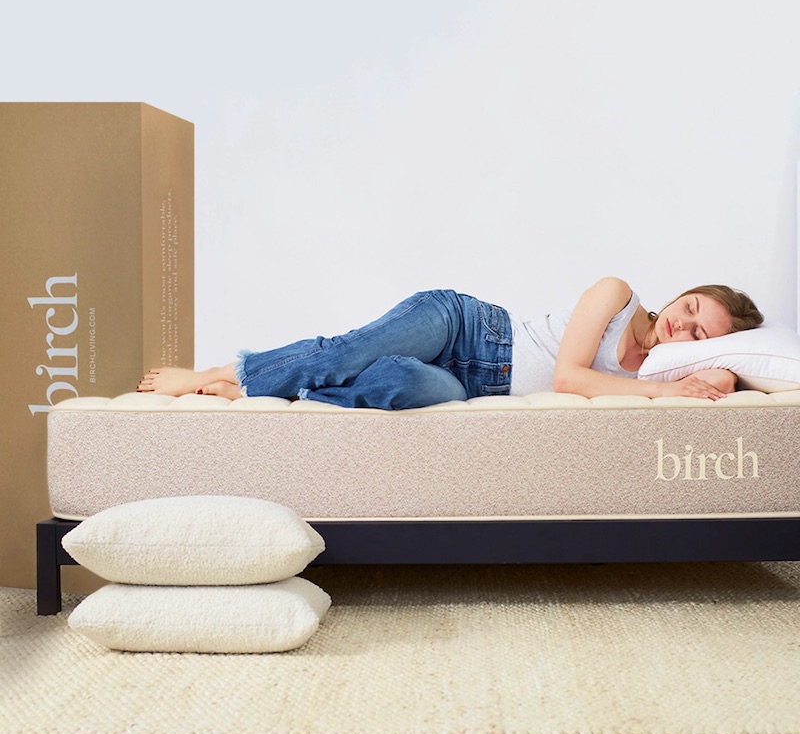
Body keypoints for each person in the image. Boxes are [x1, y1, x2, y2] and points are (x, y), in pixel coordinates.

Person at [137, 277, 763, 408]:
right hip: (464, 324)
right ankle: (214, 375)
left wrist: (718, 367)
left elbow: (730, 379)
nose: (683, 326)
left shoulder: (662, 374)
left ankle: (270, 390)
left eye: (700, 332)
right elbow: (571, 377)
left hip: (469, 385)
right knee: (348, 351)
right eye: (689, 308)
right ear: (678, 295)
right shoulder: (618, 294)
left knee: (399, 384)